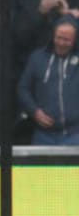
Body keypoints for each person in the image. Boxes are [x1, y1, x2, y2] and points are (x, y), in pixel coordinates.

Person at [17, 16, 79, 145]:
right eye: (59, 38)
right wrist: (34, 111)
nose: (61, 43)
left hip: (75, 134)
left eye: (67, 40)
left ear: (75, 40)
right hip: (44, 135)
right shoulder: (37, 58)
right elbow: (23, 89)